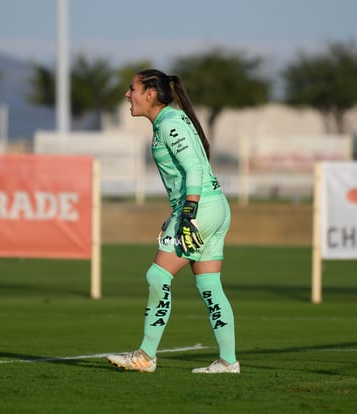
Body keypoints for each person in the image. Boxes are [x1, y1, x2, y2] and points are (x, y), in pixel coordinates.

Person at [106, 69, 240, 374]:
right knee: (210, 286)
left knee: (157, 277)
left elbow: (193, 168)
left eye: (132, 89)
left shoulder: (169, 122)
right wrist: (178, 212)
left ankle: (146, 356)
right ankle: (228, 361)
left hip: (200, 209)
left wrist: (188, 214)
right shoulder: (170, 121)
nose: (128, 95)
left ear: (150, 95)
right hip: (214, 207)